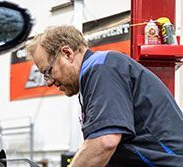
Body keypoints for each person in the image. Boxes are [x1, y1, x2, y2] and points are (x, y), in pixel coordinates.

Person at [26, 25, 183, 166]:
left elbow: (104, 141)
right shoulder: (96, 74)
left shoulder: (102, 67)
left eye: (48, 71)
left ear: (67, 53)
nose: (49, 82)